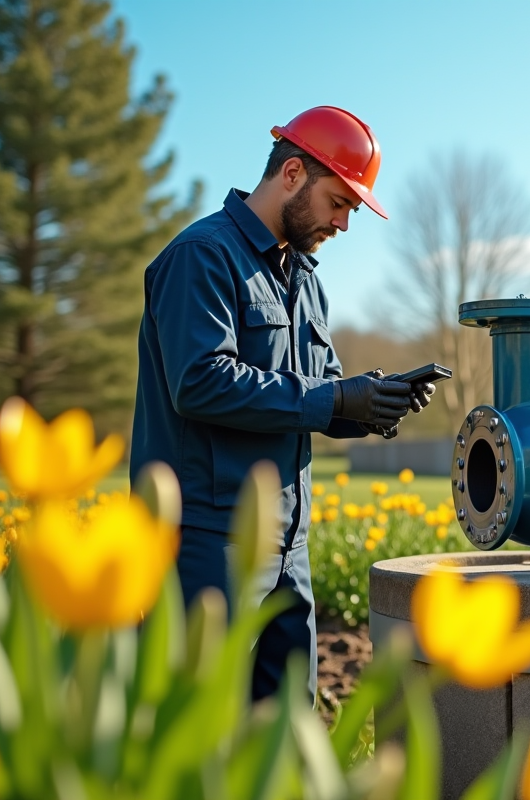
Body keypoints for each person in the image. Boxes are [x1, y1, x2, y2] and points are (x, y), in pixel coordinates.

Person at [129, 106, 432, 702]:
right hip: (204, 542)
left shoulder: (306, 278)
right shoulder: (202, 256)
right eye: (339, 202)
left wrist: (372, 404)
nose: (344, 223)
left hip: (290, 547)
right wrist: (334, 398)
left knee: (284, 736)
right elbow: (200, 381)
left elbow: (318, 393)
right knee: (200, 732)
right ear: (292, 173)